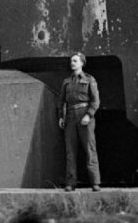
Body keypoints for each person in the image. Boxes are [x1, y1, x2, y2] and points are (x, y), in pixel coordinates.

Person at [58, 52, 101, 192]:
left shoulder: (89, 79)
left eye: (75, 61)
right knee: (70, 151)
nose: (72, 63)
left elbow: (95, 101)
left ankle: (95, 182)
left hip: (85, 115)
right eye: (71, 61)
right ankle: (70, 183)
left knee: (90, 149)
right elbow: (62, 101)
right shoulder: (66, 82)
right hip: (70, 117)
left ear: (82, 63)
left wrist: (89, 115)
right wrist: (61, 117)